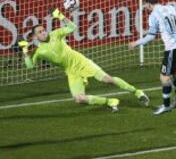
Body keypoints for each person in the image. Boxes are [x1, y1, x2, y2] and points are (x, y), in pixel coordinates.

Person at [18, 7, 149, 112]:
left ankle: (137, 92)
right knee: (79, 99)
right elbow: (30, 66)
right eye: (40, 32)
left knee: (108, 79)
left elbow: (73, 27)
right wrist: (25, 51)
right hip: (71, 72)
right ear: (35, 37)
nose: (43, 32)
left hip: (81, 62)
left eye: (43, 30)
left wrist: (60, 16)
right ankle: (110, 101)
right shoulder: (39, 51)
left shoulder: (55, 34)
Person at [129, 0, 176, 115]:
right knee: (175, 73)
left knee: (164, 77)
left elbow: (150, 36)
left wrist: (136, 43)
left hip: (172, 48)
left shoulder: (153, 15)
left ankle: (166, 106)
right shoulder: (171, 7)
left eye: (145, 5)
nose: (145, 7)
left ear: (148, 3)